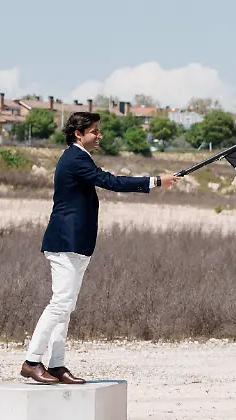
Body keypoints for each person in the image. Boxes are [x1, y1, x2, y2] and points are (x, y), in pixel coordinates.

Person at [20, 111, 180, 384]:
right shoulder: (75, 158)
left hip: (78, 244)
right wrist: (155, 181)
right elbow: (111, 182)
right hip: (65, 243)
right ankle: (31, 361)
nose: (99, 136)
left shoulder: (80, 158)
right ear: (78, 134)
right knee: (59, 304)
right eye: (94, 131)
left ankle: (57, 365)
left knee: (66, 307)